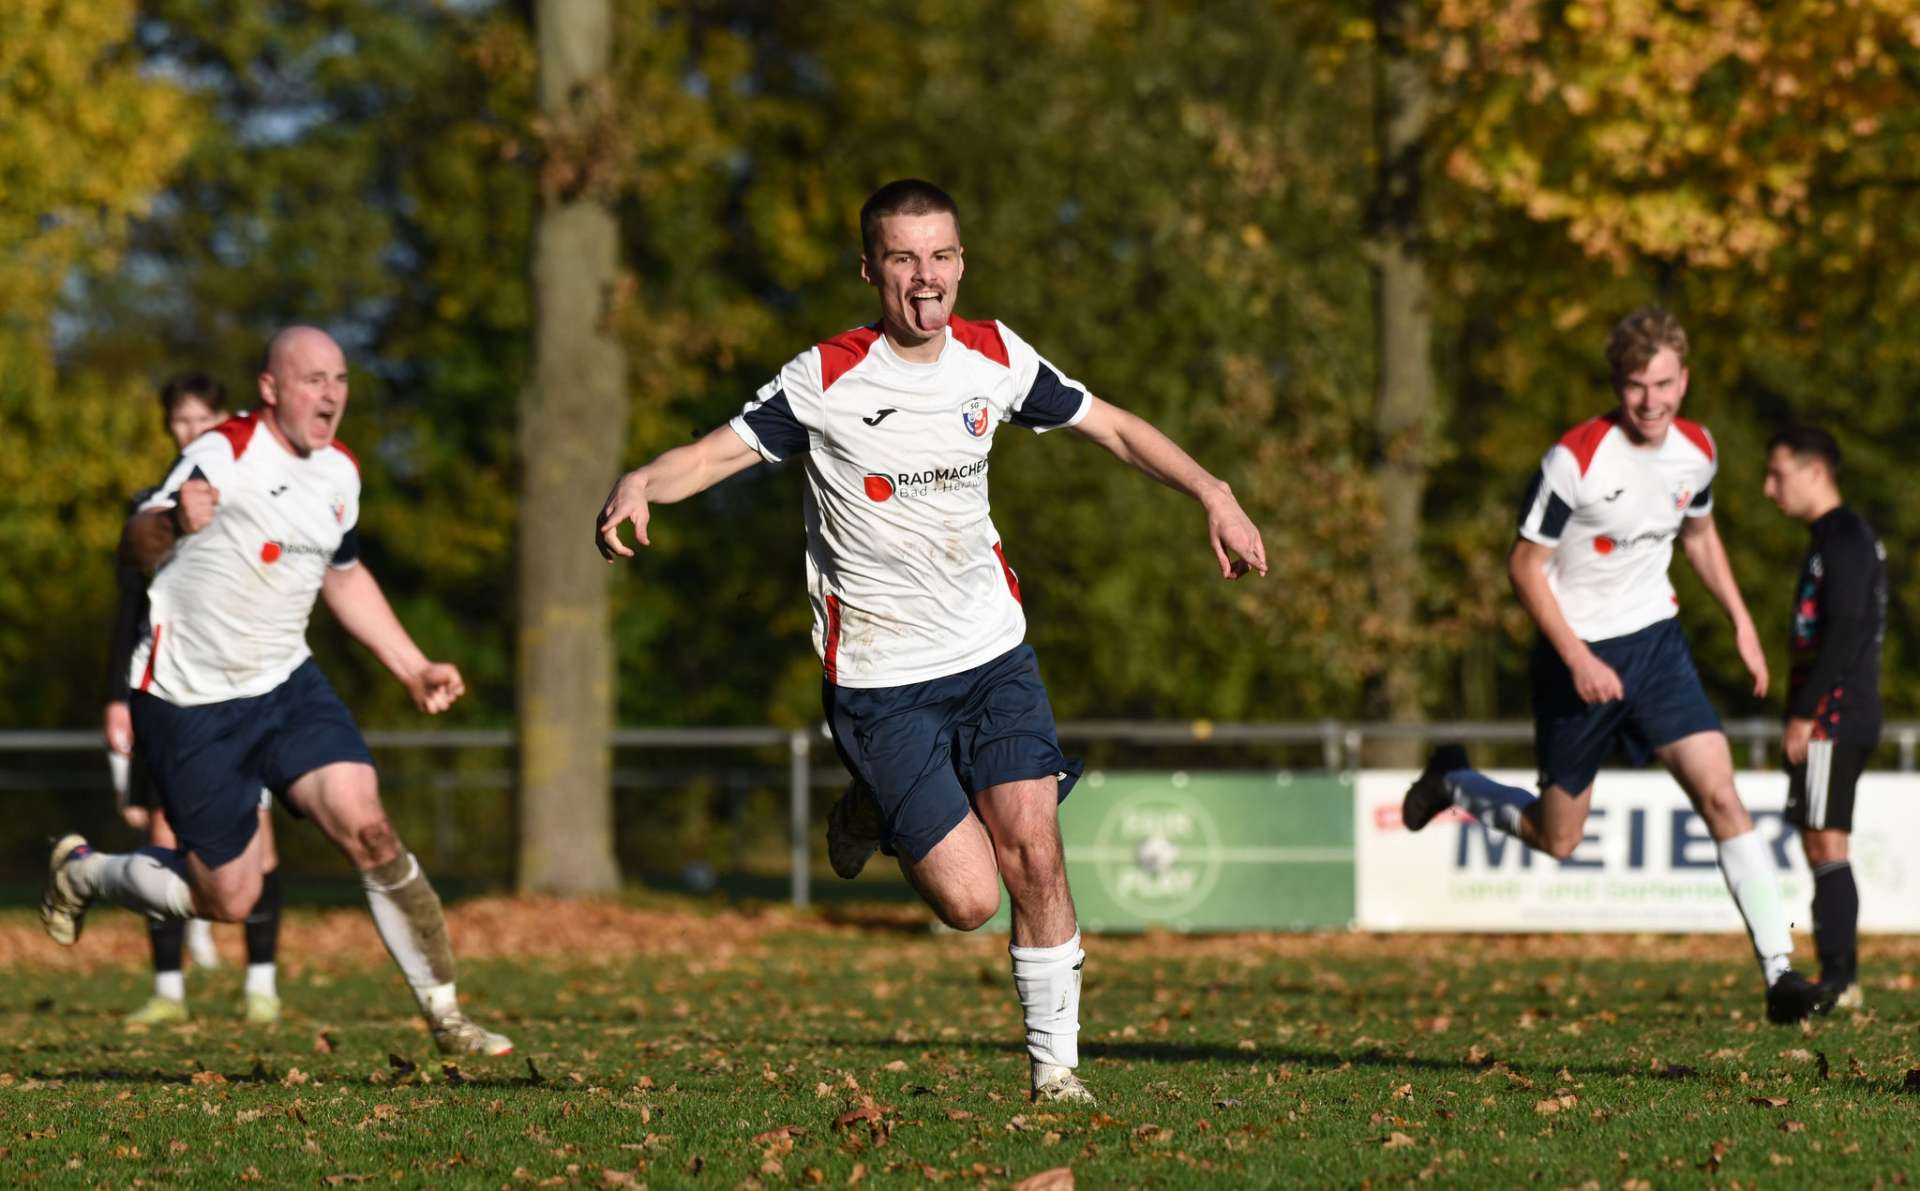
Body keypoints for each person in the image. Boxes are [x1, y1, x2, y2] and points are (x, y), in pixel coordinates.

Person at [597, 179, 1268, 1102]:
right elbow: (713, 454)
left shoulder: (995, 357)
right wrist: (641, 479)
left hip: (994, 655)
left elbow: (1111, 427)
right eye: (904, 259)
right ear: (870, 270)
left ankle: (1057, 1074)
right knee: (970, 899)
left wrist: (1213, 493)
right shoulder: (826, 378)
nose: (926, 277)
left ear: (961, 263)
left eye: (942, 255)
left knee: (1034, 848)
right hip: (881, 677)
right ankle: (873, 804)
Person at [44, 326, 511, 1056]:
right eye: (312, 379)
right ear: (270, 388)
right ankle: (87, 873)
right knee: (229, 897)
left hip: (287, 686)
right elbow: (133, 542)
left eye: (340, 379)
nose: (331, 394)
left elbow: (343, 576)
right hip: (189, 701)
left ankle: (448, 1018)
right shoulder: (222, 451)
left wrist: (412, 665)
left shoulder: (340, 472)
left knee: (370, 827)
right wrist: (173, 521)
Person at [1400, 308, 1833, 1024]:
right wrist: (1575, 656)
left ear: (1683, 379)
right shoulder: (1574, 460)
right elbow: (1524, 566)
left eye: (1664, 384)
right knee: (1558, 837)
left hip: (1657, 645)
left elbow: (1700, 535)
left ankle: (1779, 970)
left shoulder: (1698, 449)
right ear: (1617, 384)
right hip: (1576, 655)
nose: (1651, 401)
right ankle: (1454, 781)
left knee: (1722, 797)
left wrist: (1740, 620)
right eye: (1637, 386)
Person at [105, 372, 289, 1026]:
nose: (191, 433)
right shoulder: (149, 511)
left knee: (259, 840)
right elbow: (129, 609)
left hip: (241, 687)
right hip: (166, 690)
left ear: (225, 421)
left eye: (202, 421)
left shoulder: (257, 497)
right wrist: (116, 696)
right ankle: (168, 989)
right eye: (180, 421)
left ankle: (261, 983)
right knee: (162, 833)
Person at [1762, 425, 1885, 1010]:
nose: (1769, 489)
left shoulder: (1845, 538)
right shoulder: (1828, 537)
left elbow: (1844, 630)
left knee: (1824, 840)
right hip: (1832, 715)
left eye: (1777, 474)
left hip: (1832, 717)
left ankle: (1839, 979)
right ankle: (1840, 975)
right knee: (1821, 838)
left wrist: (1803, 712)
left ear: (1815, 472)